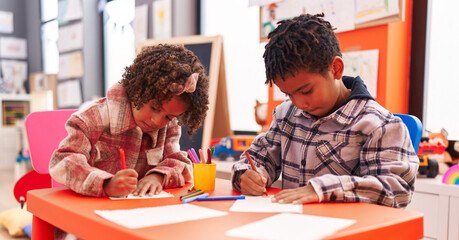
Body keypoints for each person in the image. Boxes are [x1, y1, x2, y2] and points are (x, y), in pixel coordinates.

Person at [231, 13, 419, 208]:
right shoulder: (286, 115)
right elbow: (259, 157)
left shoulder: (379, 125)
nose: (299, 103)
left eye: (306, 91)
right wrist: (248, 175)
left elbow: (397, 190)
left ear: (336, 69)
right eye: (288, 94)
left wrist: (323, 189)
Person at [50, 44, 209, 198]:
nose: (156, 121)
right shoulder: (91, 119)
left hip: (137, 214)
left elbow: (179, 162)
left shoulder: (169, 127)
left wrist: (158, 176)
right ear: (138, 90)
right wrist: (105, 184)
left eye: (169, 117)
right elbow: (63, 161)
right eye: (154, 107)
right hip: (92, 213)